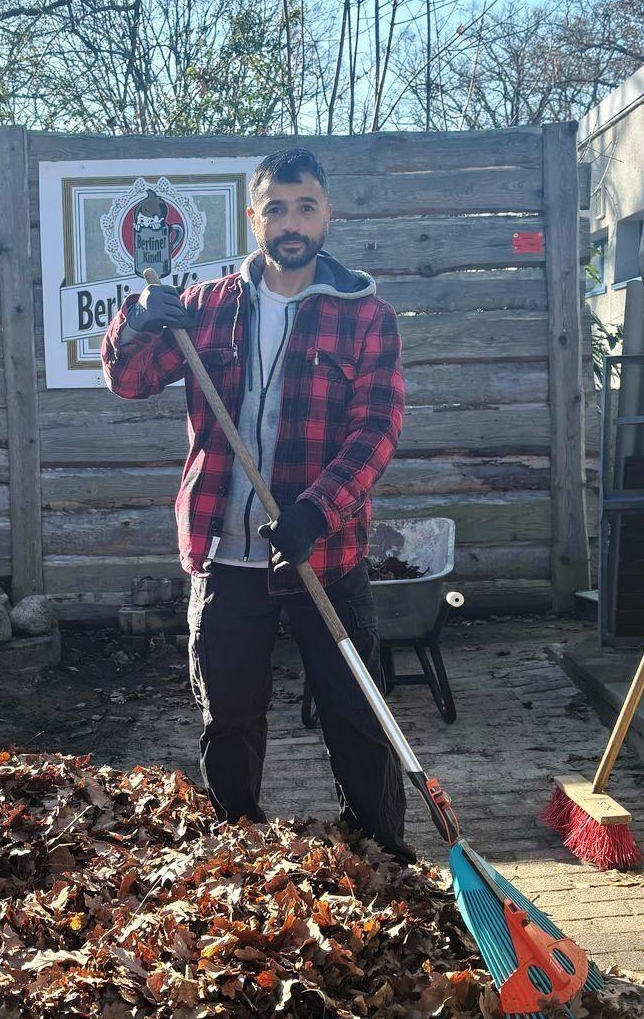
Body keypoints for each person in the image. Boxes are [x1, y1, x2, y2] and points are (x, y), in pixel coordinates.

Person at [101, 148, 413, 863]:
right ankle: (237, 865)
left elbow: (377, 430)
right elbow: (129, 379)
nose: (291, 222)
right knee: (230, 720)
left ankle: (382, 861)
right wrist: (138, 318)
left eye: (305, 206)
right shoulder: (206, 310)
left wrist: (316, 510)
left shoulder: (365, 316)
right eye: (275, 207)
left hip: (325, 555)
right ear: (254, 218)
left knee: (356, 718)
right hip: (225, 554)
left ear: (328, 214)